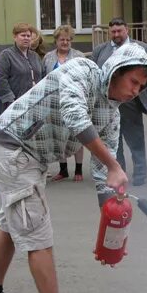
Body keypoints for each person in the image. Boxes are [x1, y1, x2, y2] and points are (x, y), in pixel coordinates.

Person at [0, 43, 147, 293]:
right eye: (133, 82)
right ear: (115, 71)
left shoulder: (112, 115)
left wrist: (110, 211)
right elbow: (75, 117)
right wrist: (114, 166)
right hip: (15, 149)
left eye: (141, 87)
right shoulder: (80, 71)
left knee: (11, 223)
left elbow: (103, 169)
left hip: (31, 156)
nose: (135, 91)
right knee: (38, 236)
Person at [92, 17, 147, 186]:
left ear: (127, 30)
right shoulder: (100, 50)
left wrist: (137, 94)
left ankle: (141, 171)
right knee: (113, 139)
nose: (116, 34)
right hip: (108, 103)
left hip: (131, 101)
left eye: (120, 31)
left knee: (135, 138)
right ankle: (119, 171)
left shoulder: (141, 48)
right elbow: (96, 74)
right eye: (113, 31)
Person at [43, 24, 85, 183]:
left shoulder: (79, 55)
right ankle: (63, 170)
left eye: (68, 39)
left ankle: (79, 170)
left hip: (75, 101)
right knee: (58, 136)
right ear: (56, 41)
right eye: (62, 39)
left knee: (77, 135)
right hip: (54, 103)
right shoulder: (48, 57)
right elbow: (43, 79)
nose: (65, 42)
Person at [0, 22, 43, 115]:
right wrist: (10, 100)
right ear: (15, 37)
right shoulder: (6, 55)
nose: (26, 38)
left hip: (34, 103)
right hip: (13, 105)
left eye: (28, 36)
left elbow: (41, 77)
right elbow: (0, 79)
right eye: (23, 35)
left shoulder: (35, 56)